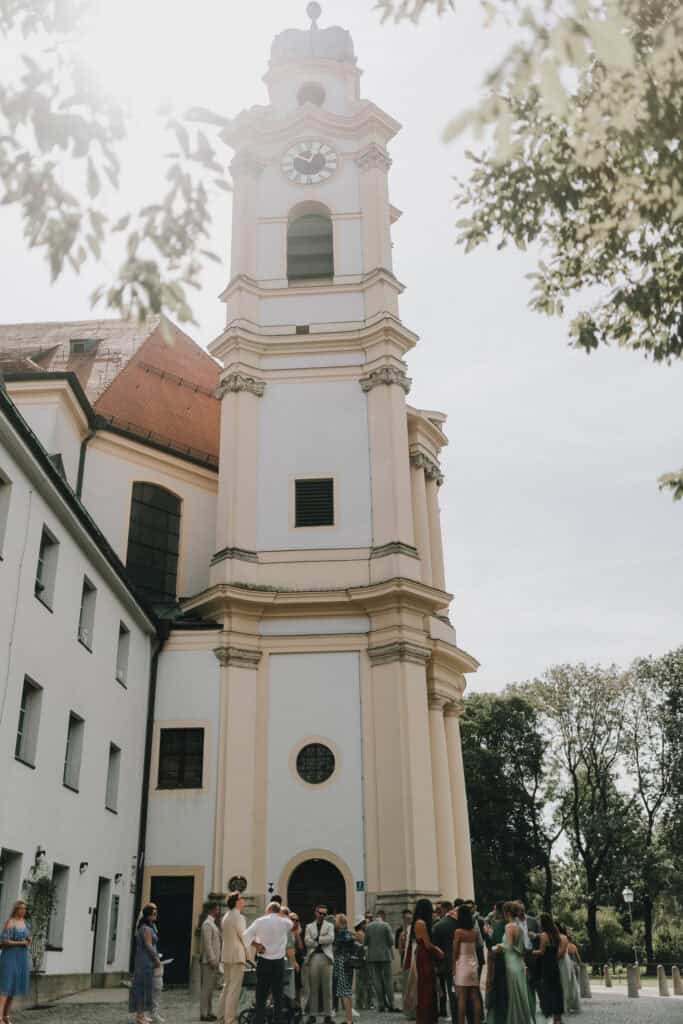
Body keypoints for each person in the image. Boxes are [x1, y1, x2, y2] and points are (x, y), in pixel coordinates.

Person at [243, 901, 293, 1024]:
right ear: (278, 911)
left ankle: (259, 1020)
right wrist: (282, 915)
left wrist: (256, 945)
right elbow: (291, 923)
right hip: (278, 963)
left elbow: (245, 936)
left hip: (264, 961)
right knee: (278, 996)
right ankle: (277, 1021)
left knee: (261, 995)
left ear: (269, 910)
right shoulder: (285, 922)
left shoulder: (260, 921)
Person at [488, 902, 532, 1024]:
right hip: (519, 962)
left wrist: (495, 947)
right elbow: (522, 947)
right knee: (520, 993)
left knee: (514, 994)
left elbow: (508, 946)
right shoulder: (519, 926)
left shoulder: (509, 927)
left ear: (506, 913)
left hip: (510, 962)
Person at [404, 898, 444, 1024]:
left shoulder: (419, 922)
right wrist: (438, 951)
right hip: (424, 957)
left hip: (423, 956)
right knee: (426, 989)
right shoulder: (421, 923)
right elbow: (427, 944)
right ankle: (426, 1019)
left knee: (427, 988)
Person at [219, 892, 249, 1024]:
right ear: (237, 901)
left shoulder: (226, 916)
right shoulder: (239, 917)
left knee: (226, 987)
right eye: (241, 899)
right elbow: (244, 937)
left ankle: (221, 1017)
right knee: (234, 990)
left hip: (226, 955)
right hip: (237, 956)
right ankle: (229, 1019)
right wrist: (249, 956)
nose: (243, 901)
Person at [130, 904, 162, 1024]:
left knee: (145, 987)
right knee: (141, 988)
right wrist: (156, 959)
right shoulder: (146, 929)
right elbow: (148, 946)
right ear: (148, 915)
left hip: (146, 959)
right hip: (144, 960)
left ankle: (142, 1014)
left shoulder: (148, 927)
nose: (156, 915)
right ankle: (139, 1016)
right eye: (153, 913)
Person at [0, 899, 31, 1023]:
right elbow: (4, 941)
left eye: (25, 909)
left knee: (13, 988)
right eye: (21, 908)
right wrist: (21, 942)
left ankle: (7, 1015)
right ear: (16, 909)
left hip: (21, 958)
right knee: (5, 987)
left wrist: (28, 940)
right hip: (9, 957)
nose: (23, 911)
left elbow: (28, 938)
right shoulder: (10, 922)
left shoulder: (26, 923)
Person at [304, 903, 335, 1024]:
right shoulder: (309, 926)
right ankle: (313, 1015)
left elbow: (331, 938)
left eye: (324, 914)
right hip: (314, 957)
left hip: (326, 957)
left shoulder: (330, 925)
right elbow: (307, 941)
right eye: (320, 913)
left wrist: (317, 940)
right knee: (313, 988)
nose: (322, 915)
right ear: (315, 913)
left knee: (327, 988)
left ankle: (328, 1015)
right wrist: (320, 941)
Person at [534, 914, 566, 1024]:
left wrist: (530, 952)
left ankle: (551, 1016)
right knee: (556, 990)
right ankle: (558, 1018)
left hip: (546, 965)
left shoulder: (544, 935)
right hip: (554, 965)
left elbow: (541, 951)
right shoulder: (556, 934)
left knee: (548, 990)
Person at [453, 906, 481, 1024]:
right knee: (475, 996)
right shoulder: (474, 932)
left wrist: (453, 967)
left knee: (462, 998)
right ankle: (477, 1022)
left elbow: (455, 952)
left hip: (462, 964)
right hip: (473, 963)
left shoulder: (458, 932)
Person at [365, 909, 396, 1012]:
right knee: (388, 980)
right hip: (385, 955)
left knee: (377, 980)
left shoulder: (368, 927)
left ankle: (381, 1004)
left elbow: (365, 942)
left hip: (373, 956)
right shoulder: (386, 925)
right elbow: (391, 941)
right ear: (382, 915)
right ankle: (391, 1004)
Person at [433, 902, 458, 1022]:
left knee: (451, 990)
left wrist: (437, 965)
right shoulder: (463, 922)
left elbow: (435, 947)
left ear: (445, 909)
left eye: (440, 909)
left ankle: (456, 1017)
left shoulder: (439, 925)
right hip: (464, 961)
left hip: (447, 963)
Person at [200, 902, 222, 1022]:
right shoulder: (207, 924)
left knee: (210, 989)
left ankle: (209, 1011)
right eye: (217, 909)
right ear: (213, 910)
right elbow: (208, 945)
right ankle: (203, 1013)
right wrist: (212, 959)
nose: (218, 911)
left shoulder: (211, 923)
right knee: (206, 988)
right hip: (209, 961)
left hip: (213, 961)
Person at [333, 913, 356, 1024]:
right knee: (347, 991)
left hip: (342, 962)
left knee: (344, 991)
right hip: (349, 963)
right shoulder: (349, 934)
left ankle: (349, 1020)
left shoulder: (341, 935)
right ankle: (349, 1018)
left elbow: (336, 949)